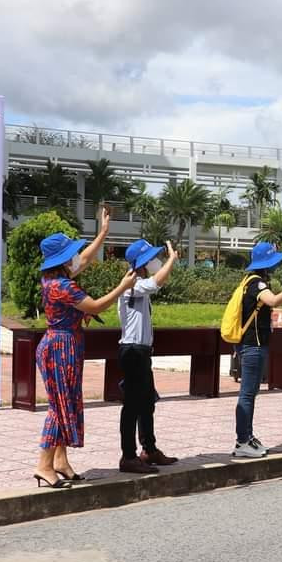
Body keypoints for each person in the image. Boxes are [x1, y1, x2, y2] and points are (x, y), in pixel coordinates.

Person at [33, 207, 136, 488]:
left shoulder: (53, 278)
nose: (76, 256)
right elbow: (96, 306)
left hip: (63, 344)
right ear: (63, 259)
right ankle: (44, 465)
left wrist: (103, 232)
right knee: (59, 407)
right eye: (71, 253)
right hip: (60, 347)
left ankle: (60, 461)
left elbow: (85, 258)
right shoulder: (63, 286)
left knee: (66, 404)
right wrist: (123, 286)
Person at [234, 242, 282, 458]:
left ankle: (247, 437)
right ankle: (242, 441)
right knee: (247, 394)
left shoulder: (251, 281)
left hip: (252, 345)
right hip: (252, 346)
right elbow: (273, 300)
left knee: (250, 393)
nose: (276, 265)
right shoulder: (257, 284)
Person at [117, 238, 179, 475]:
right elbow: (156, 282)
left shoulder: (138, 283)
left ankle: (149, 449)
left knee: (147, 403)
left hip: (141, 352)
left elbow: (156, 282)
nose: (155, 261)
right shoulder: (130, 284)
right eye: (151, 258)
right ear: (142, 263)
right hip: (133, 351)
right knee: (132, 406)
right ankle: (128, 456)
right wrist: (171, 260)